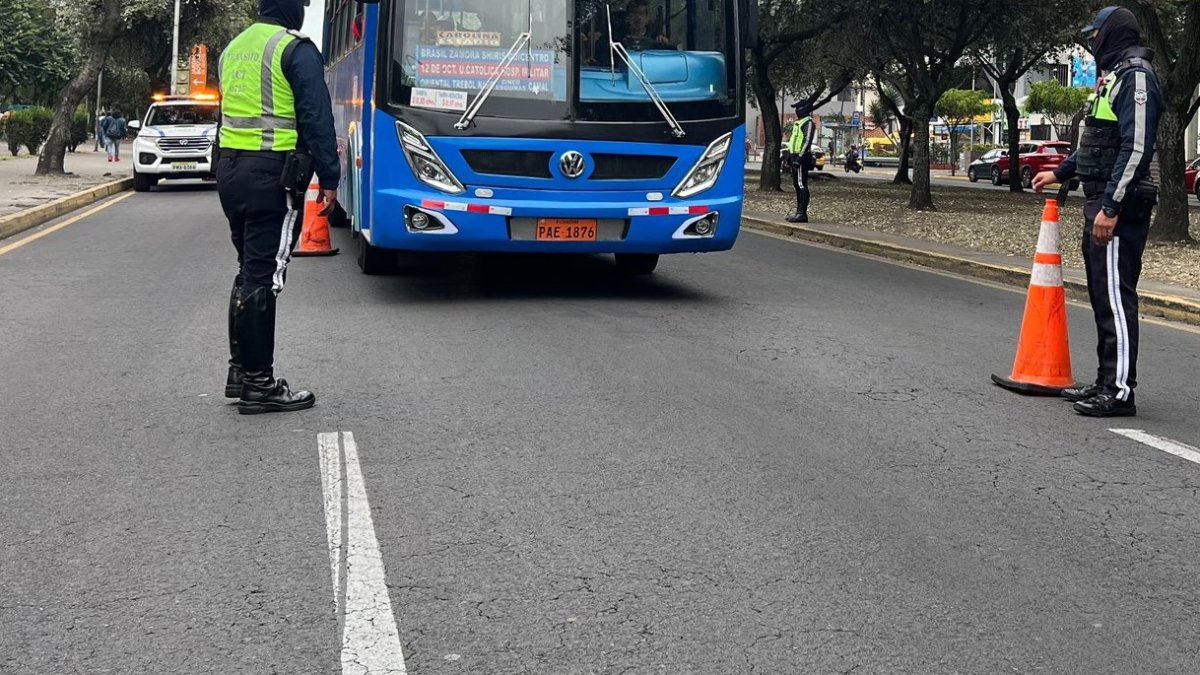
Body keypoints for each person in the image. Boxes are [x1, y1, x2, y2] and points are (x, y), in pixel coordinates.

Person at [1032, 6, 1161, 418]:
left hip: (1118, 204)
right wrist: (1059, 172)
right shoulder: (1116, 77)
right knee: (1103, 296)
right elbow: (1096, 142)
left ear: (1112, 34)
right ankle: (1106, 381)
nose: (1091, 44)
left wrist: (1111, 206)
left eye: (1095, 36)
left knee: (1117, 299)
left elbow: (1136, 147)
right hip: (1101, 200)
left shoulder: (1136, 77)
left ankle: (1120, 392)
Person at [217, 0, 340, 414]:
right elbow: (316, 117)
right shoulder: (294, 48)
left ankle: (240, 372)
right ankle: (259, 384)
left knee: (247, 269)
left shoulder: (234, 47)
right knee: (262, 276)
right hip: (271, 175)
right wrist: (330, 177)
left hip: (230, 171)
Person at [785, 105, 816, 223]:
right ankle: (798, 211)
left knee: (801, 184)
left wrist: (799, 157)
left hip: (801, 157)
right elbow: (794, 140)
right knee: (797, 185)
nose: (797, 110)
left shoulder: (808, 123)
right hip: (795, 155)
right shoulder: (798, 122)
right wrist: (790, 156)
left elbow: (807, 141)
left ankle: (802, 213)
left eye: (799, 108)